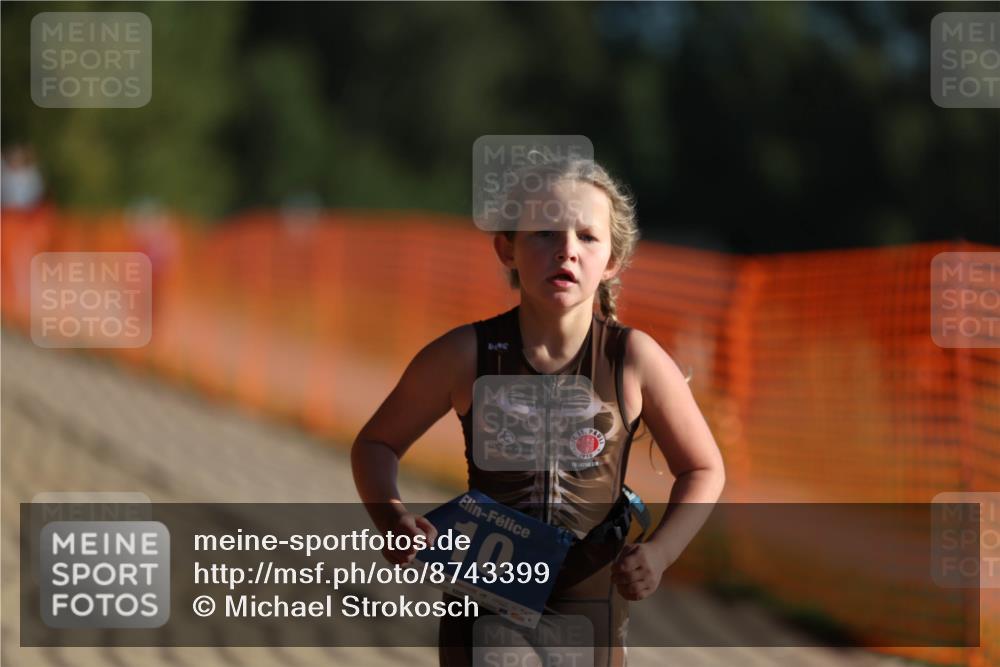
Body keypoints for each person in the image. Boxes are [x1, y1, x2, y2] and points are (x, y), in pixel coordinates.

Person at [352, 155, 725, 666]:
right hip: (483, 605)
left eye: (587, 237)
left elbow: (704, 468)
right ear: (507, 248)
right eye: (545, 233)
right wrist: (392, 517)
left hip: (591, 611)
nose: (566, 250)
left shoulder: (633, 358)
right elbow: (376, 443)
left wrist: (661, 553)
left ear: (612, 260)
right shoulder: (466, 355)